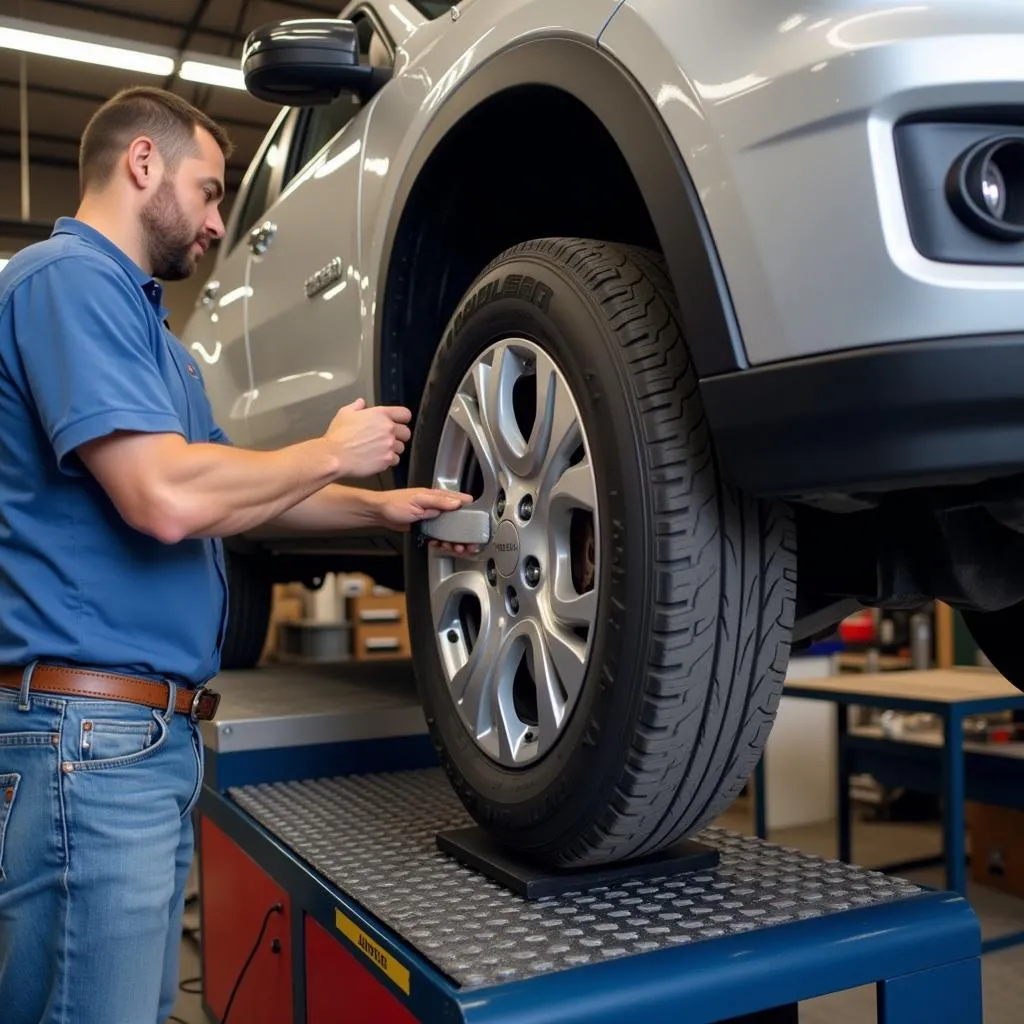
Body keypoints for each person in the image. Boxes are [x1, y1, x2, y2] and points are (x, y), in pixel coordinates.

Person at [0, 86, 470, 1024]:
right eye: (211, 192)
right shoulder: (65, 280)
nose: (220, 223)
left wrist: (382, 507)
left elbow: (243, 493)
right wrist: (333, 449)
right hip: (88, 744)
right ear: (143, 164)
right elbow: (167, 498)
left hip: (139, 743)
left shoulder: (160, 345)